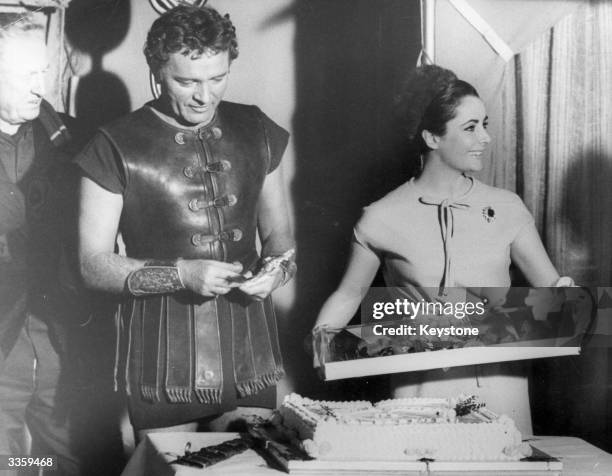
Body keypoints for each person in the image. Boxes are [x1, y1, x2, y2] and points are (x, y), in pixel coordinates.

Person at [75, 5, 295, 437]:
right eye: (186, 81)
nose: (204, 96)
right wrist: (181, 274)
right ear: (156, 71)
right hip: (161, 365)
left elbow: (279, 236)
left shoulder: (258, 129)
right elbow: (91, 265)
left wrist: (278, 271)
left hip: (249, 358)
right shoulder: (112, 145)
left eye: (217, 78)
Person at [314, 65, 570, 434]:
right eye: (470, 128)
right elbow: (348, 294)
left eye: (485, 124)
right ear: (432, 137)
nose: (485, 138)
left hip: (498, 389)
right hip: (417, 391)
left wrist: (576, 307)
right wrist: (321, 339)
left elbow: (552, 290)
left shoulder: (508, 207)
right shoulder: (381, 217)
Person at [0, 13, 85, 475]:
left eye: (43, 74)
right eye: (24, 76)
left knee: (69, 458)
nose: (40, 88)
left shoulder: (74, 138)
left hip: (59, 331)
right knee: (7, 462)